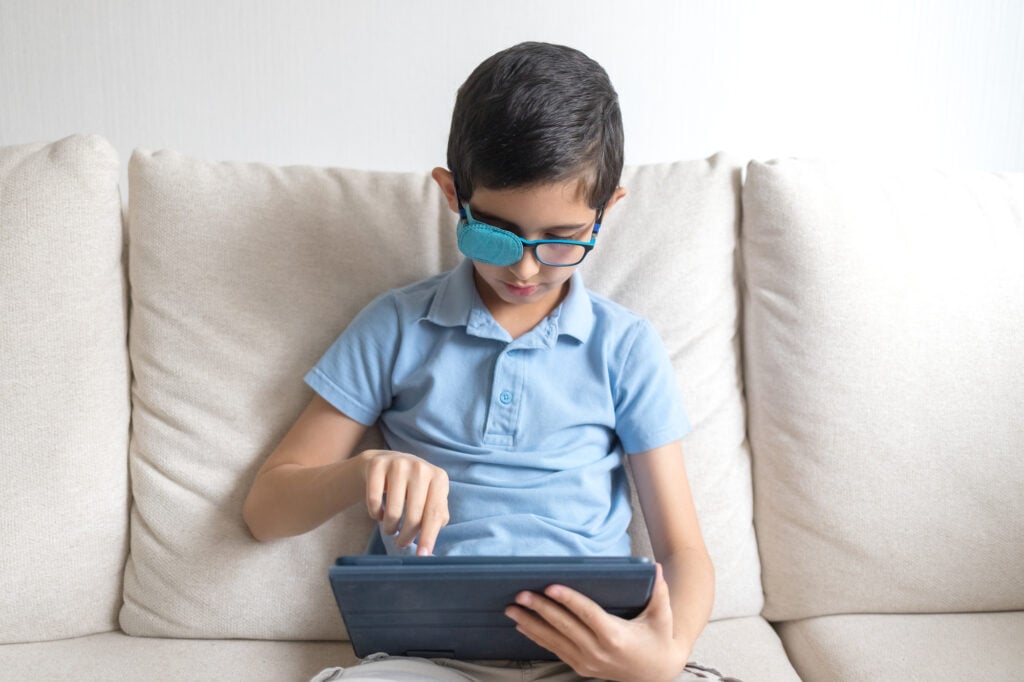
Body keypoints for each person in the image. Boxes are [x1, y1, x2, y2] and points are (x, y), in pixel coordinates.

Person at [243, 42, 735, 682]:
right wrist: (360, 471)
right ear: (452, 195)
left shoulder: (625, 347)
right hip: (426, 658)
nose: (524, 268)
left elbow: (683, 548)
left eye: (561, 242)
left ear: (606, 211)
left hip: (593, 656)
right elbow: (265, 511)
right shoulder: (394, 327)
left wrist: (664, 654)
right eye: (494, 236)